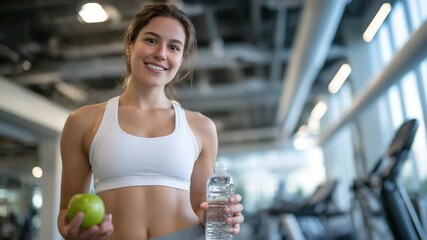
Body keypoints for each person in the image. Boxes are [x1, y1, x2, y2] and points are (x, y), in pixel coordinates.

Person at [57, 2, 244, 240]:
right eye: (151, 40)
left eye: (174, 47)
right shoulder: (83, 122)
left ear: (181, 58)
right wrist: (74, 231)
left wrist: (220, 215)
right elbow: (66, 211)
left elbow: (201, 208)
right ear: (129, 44)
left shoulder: (201, 127)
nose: (161, 54)